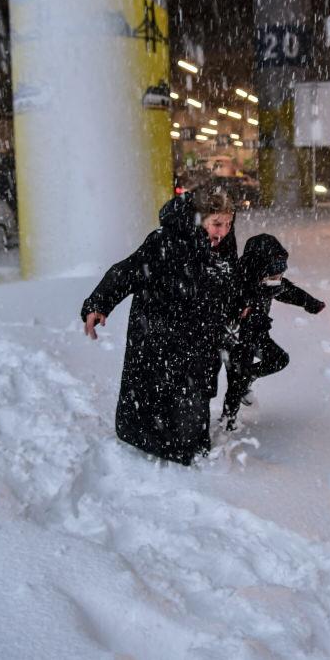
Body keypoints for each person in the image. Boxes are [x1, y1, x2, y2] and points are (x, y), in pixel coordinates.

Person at [80, 188, 238, 466]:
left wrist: (238, 306)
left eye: (228, 224)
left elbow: (228, 285)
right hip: (160, 336)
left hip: (199, 342)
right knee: (157, 400)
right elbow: (126, 271)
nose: (223, 231)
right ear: (199, 219)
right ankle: (149, 450)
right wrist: (98, 305)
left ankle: (185, 450)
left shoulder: (223, 247)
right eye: (217, 224)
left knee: (192, 417)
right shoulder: (166, 241)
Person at [221, 233, 325, 431]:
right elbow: (224, 304)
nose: (277, 281)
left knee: (278, 359)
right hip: (236, 339)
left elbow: (288, 291)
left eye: (280, 276)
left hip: (258, 334)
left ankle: (248, 377)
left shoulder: (272, 284)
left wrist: (310, 303)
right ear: (258, 269)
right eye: (273, 277)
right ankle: (228, 421)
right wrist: (237, 311)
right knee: (235, 380)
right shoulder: (239, 283)